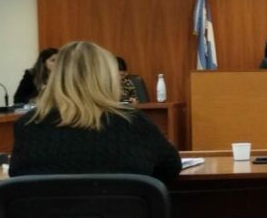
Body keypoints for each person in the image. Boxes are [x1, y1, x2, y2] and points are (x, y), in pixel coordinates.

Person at [9, 41, 182, 183]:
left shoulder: (28, 125)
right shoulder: (133, 121)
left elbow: (18, 175)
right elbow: (170, 168)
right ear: (107, 77)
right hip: (122, 214)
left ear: (56, 76)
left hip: (47, 215)